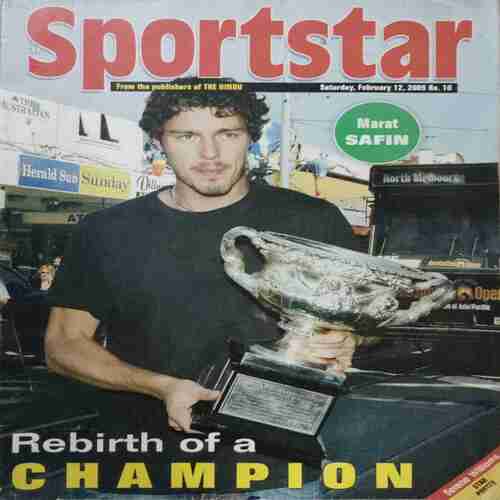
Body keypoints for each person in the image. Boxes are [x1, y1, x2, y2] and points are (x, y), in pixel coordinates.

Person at [45, 77, 359, 499]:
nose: (210, 154)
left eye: (227, 134)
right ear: (159, 141)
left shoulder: (313, 221)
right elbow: (63, 346)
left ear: (250, 137)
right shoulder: (106, 231)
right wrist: (161, 386)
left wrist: (348, 339)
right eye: (187, 136)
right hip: (139, 472)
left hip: (273, 473)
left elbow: (361, 319)